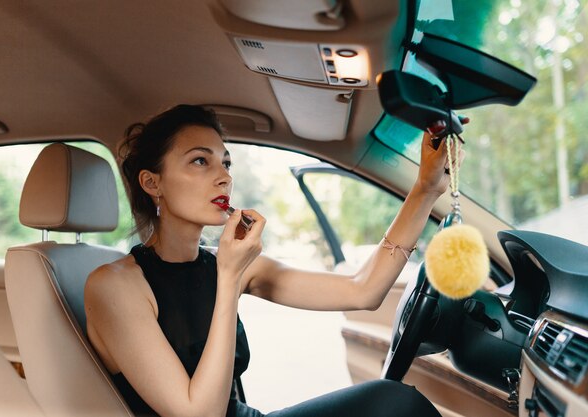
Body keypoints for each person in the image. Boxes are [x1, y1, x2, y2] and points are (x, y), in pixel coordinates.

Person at [85, 104, 461, 417]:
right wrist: (229, 279)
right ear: (153, 183)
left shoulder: (227, 263)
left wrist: (425, 189)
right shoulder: (115, 285)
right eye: (200, 161)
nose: (223, 178)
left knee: (393, 402)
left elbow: (364, 291)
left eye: (226, 163)